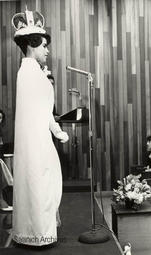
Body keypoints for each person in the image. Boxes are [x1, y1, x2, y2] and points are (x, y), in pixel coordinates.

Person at [12, 8, 69, 246]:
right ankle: (37, 235)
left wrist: (55, 131)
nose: (47, 51)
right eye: (44, 46)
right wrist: (53, 131)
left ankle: (39, 232)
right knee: (38, 185)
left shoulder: (33, 71)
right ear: (32, 46)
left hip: (38, 139)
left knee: (42, 185)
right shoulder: (28, 72)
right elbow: (39, 113)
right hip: (35, 141)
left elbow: (44, 109)